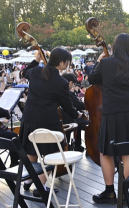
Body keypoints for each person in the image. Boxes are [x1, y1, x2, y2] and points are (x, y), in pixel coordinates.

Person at [89, 34, 129, 204]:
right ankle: (124, 192)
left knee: (106, 152)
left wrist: (100, 61)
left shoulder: (106, 64)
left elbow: (92, 79)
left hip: (112, 112)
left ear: (113, 47)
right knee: (128, 152)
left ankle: (109, 191)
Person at [20, 48, 83, 195]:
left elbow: (25, 72)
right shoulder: (60, 82)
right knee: (54, 153)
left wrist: (37, 60)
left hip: (29, 117)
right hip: (48, 121)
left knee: (31, 148)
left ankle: (29, 179)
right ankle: (40, 186)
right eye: (67, 62)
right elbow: (66, 105)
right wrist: (77, 114)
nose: (68, 65)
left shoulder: (36, 71)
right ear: (61, 63)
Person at [61, 73, 90, 152]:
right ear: (70, 82)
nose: (73, 86)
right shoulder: (69, 93)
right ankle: (85, 146)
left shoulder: (60, 92)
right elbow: (79, 105)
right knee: (87, 123)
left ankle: (77, 144)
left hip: (62, 118)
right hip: (69, 119)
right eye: (73, 84)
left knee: (81, 122)